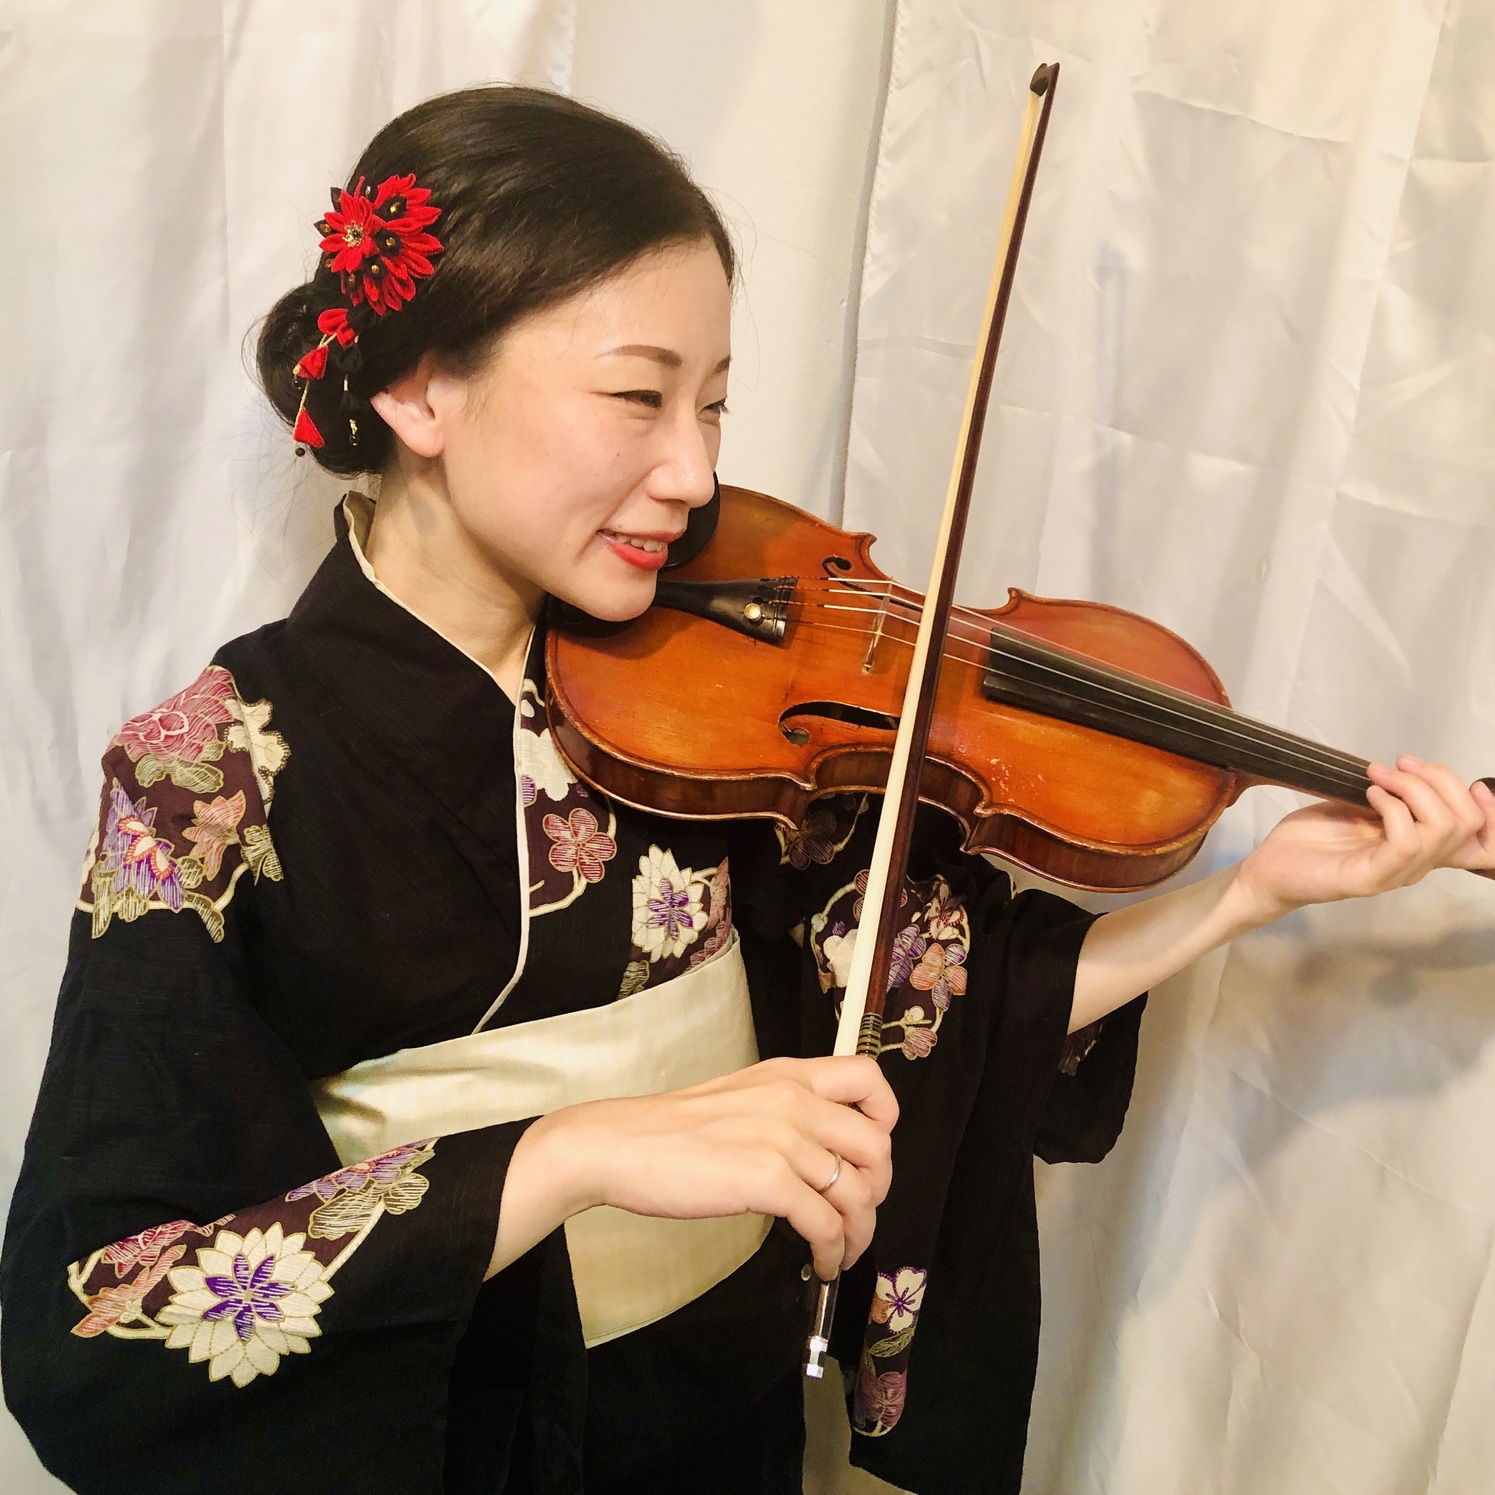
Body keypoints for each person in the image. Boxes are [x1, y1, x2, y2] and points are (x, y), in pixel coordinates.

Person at [3, 86, 1491, 1495]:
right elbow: (99, 1310)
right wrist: (566, 1153)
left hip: (723, 1400)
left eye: (712, 406)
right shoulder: (206, 773)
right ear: (419, 387)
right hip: (460, 1437)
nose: (695, 476)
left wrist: (1249, 893)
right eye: (637, 398)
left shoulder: (698, 698)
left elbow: (937, 1000)